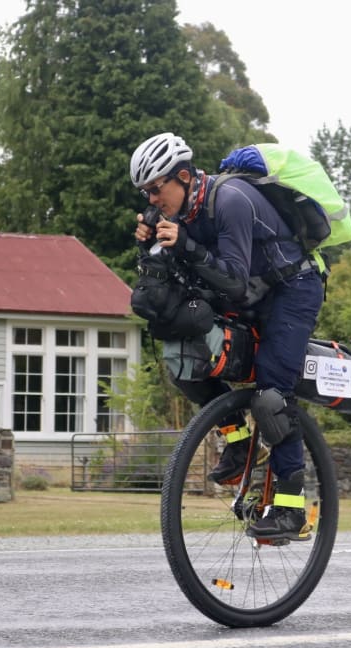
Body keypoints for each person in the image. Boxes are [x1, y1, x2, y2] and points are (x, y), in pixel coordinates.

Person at [129, 132, 324, 540]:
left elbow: (232, 280)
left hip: (293, 288)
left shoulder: (230, 199)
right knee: (185, 358)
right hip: (254, 293)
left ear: (182, 176)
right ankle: (237, 441)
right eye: (144, 192)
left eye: (155, 188)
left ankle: (292, 507)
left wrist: (184, 244)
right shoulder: (183, 213)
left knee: (272, 389)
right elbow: (187, 276)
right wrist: (150, 249)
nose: (150, 199)